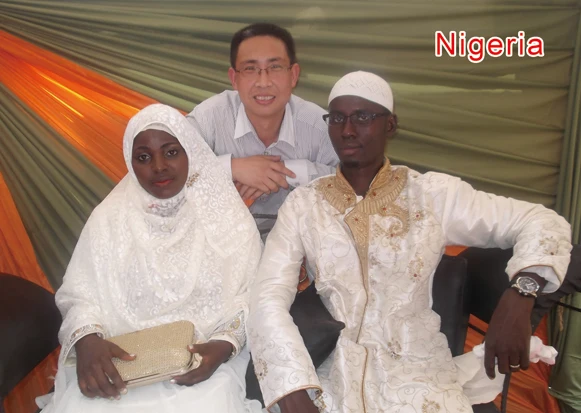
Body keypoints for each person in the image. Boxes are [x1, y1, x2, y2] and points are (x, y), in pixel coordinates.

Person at [247, 71, 572, 413]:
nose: (347, 130)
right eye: (338, 118)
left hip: (420, 374)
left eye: (363, 117)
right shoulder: (304, 204)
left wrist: (521, 294)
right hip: (328, 371)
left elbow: (541, 220)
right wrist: (292, 388)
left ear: (390, 125)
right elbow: (268, 296)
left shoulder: (432, 195)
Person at [38, 104, 263, 413]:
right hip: (120, 364)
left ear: (190, 153)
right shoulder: (109, 218)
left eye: (171, 152)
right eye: (143, 157)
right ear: (130, 163)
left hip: (202, 365)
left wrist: (224, 345)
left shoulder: (225, 216)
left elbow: (252, 292)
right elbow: (80, 293)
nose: (159, 166)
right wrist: (88, 341)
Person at [187, 22, 339, 236]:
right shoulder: (210, 116)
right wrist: (232, 168)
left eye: (275, 67)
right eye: (250, 69)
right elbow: (168, 166)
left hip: (300, 243)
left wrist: (293, 172)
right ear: (234, 79)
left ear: (293, 75)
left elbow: (354, 182)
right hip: (221, 241)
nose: (263, 82)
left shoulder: (318, 125)